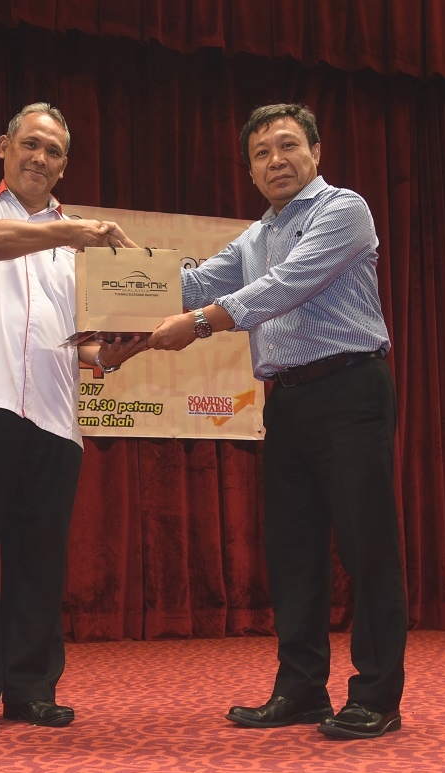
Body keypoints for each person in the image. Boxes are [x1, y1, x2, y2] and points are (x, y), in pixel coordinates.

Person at [148, 103, 407, 739]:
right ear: (250, 171)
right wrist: (124, 263)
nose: (276, 161)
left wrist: (202, 324)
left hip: (350, 389)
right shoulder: (255, 236)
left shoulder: (344, 210)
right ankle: (301, 689)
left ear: (316, 152)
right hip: (286, 401)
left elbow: (286, 285)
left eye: (288, 146)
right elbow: (194, 285)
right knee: (293, 553)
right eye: (261, 154)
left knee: (366, 547)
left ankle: (377, 696)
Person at [0, 103, 146, 735]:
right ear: (4, 146)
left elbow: (70, 339)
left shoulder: (73, 245)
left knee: (40, 558)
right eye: (30, 144)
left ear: (63, 165)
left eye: (52, 151)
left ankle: (30, 688)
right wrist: (71, 232)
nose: (39, 158)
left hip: (54, 416)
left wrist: (109, 353)